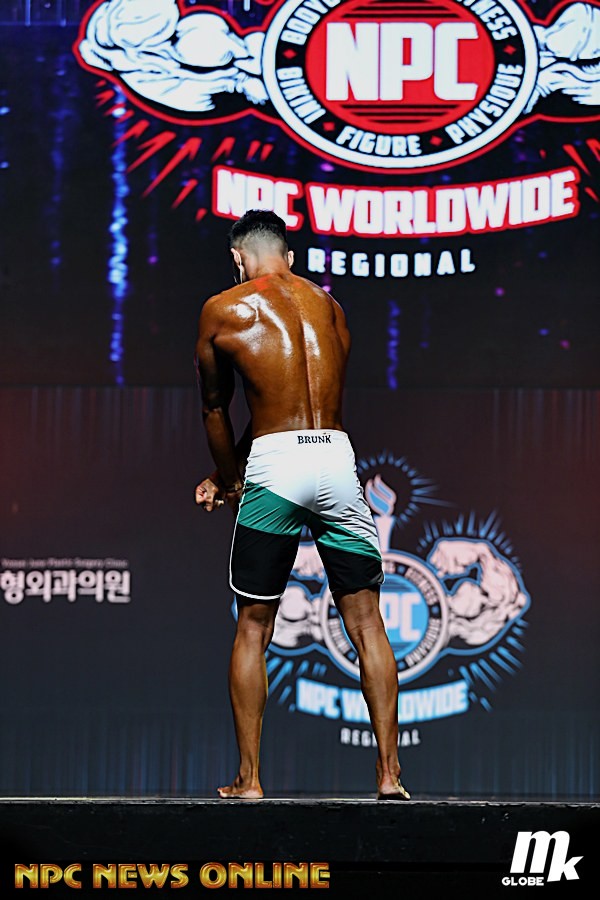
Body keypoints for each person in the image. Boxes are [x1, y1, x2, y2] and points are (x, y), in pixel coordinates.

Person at [194, 209, 410, 801]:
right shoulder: (329, 307)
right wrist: (227, 471)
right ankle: (389, 774)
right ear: (288, 257)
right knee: (367, 623)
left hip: (274, 469)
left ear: (238, 258)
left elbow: (216, 408)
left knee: (253, 626)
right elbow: (298, 398)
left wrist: (229, 479)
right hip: (337, 459)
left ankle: (250, 779)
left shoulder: (224, 309)